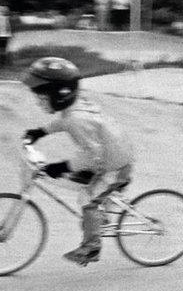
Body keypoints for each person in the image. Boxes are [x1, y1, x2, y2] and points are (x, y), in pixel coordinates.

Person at [21, 57, 136, 266]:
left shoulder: (77, 119)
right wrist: (41, 132)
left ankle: (91, 247)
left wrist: (61, 166)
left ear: (60, 95)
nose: (39, 101)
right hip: (109, 157)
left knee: (87, 200)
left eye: (42, 97)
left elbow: (92, 155)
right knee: (82, 188)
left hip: (115, 167)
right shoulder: (73, 109)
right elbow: (63, 122)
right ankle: (101, 215)